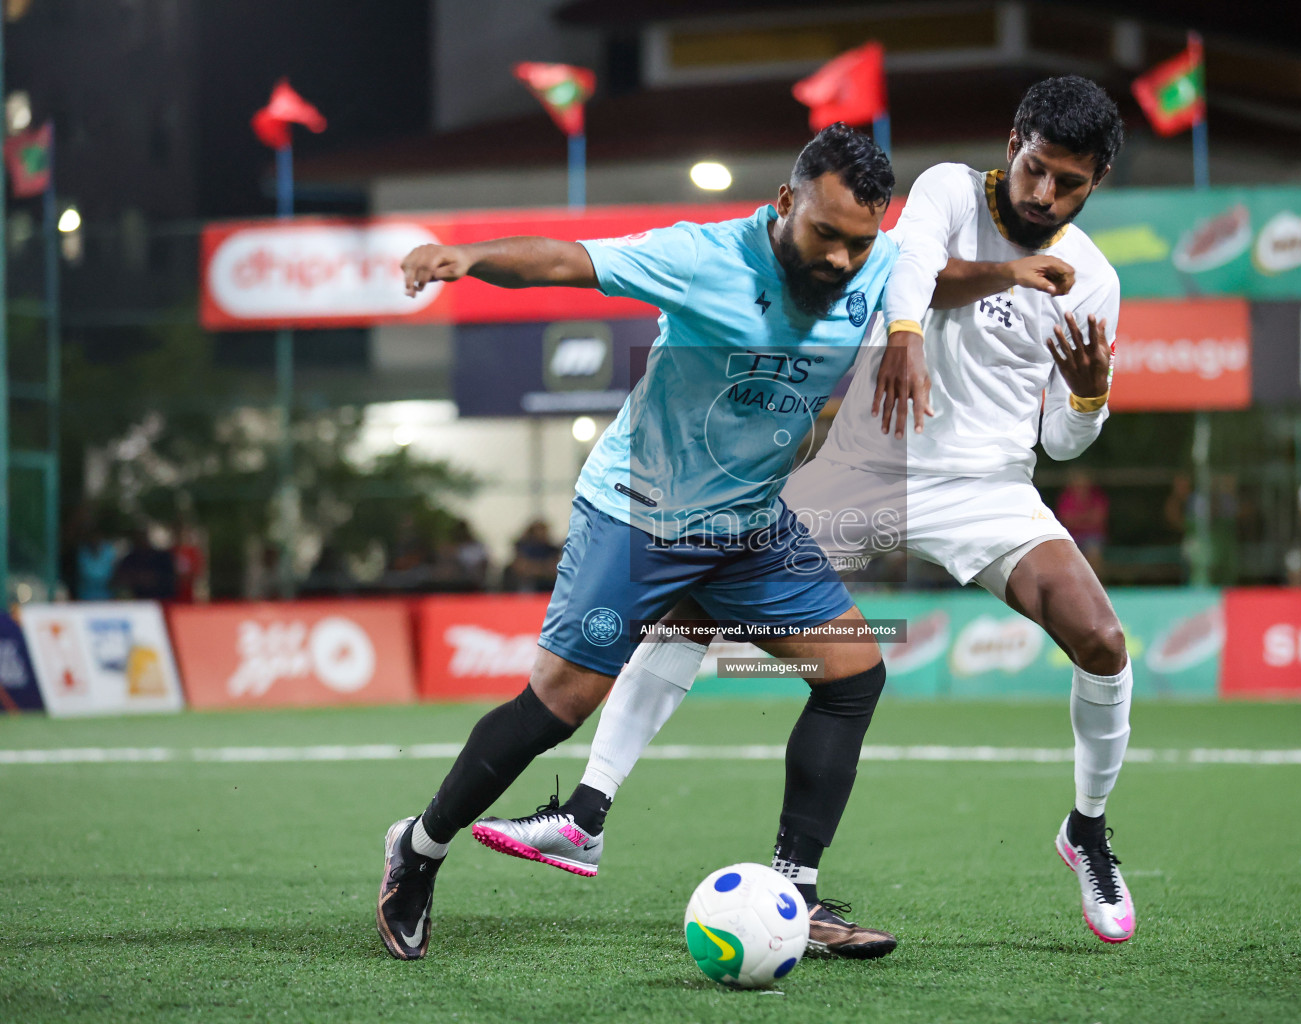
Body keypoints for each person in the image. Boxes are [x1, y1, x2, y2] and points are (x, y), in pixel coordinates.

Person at [492, 77, 1139, 944]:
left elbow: (1062, 443)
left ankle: (1087, 831)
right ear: (1014, 140)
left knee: (1101, 639)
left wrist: (1091, 399)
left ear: (1096, 181)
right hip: (868, 462)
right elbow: (908, 268)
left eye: (1069, 182)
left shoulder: (1095, 281)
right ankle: (586, 814)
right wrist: (904, 338)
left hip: (988, 489)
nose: (1043, 192)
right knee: (697, 596)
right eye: (1035, 167)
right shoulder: (952, 187)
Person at [378, 124, 910, 962]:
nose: (843, 259)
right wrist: (469, 257)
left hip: (749, 524)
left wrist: (1015, 274)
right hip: (641, 511)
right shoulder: (702, 259)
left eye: (859, 242)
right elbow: (569, 262)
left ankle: (796, 894)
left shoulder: (880, 262)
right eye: (826, 235)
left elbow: (937, 280)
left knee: (853, 674)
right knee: (557, 706)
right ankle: (419, 849)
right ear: (784, 205)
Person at [1056, 469, 1109, 577]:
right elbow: (1066, 521)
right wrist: (1086, 518)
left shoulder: (1097, 497)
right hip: (1070, 537)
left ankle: (1097, 583)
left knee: (1094, 551)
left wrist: (1077, 519)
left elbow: (1098, 519)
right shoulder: (1066, 498)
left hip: (1092, 537)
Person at [503, 519, 562, 592]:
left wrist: (536, 569)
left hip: (546, 582)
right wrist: (539, 568)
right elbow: (520, 566)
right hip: (527, 581)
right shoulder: (522, 546)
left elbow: (553, 567)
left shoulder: (552, 549)